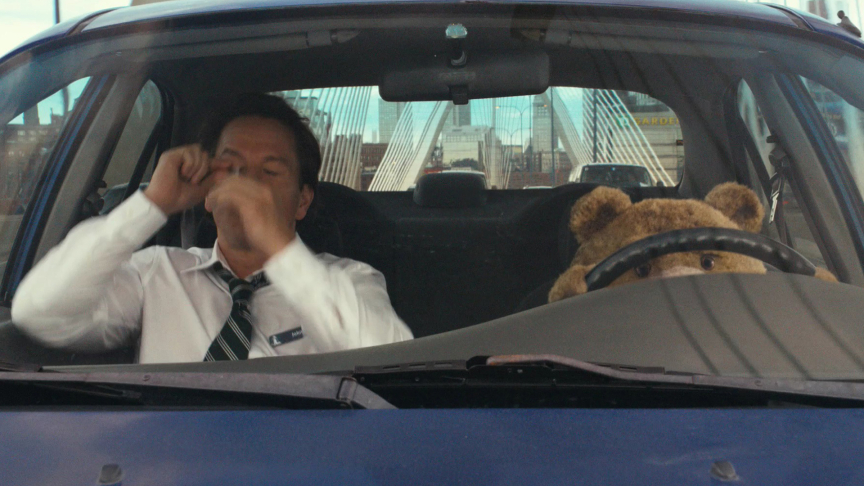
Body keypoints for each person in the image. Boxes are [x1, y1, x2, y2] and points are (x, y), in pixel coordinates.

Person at [11, 93, 413, 364]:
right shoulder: (156, 273)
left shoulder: (350, 281)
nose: (247, 185)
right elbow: (40, 312)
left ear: (302, 201)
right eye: (232, 168)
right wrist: (152, 205)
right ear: (208, 195)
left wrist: (278, 248)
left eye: (270, 172)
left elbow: (388, 360)